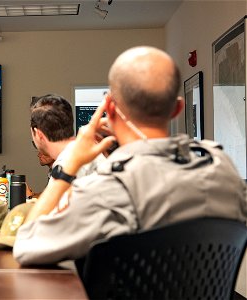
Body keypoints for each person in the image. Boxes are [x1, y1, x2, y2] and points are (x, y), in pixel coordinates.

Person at [13, 46, 247, 266]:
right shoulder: (222, 166)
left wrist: (68, 166)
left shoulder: (107, 188)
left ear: (110, 109)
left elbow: (26, 247)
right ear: (177, 109)